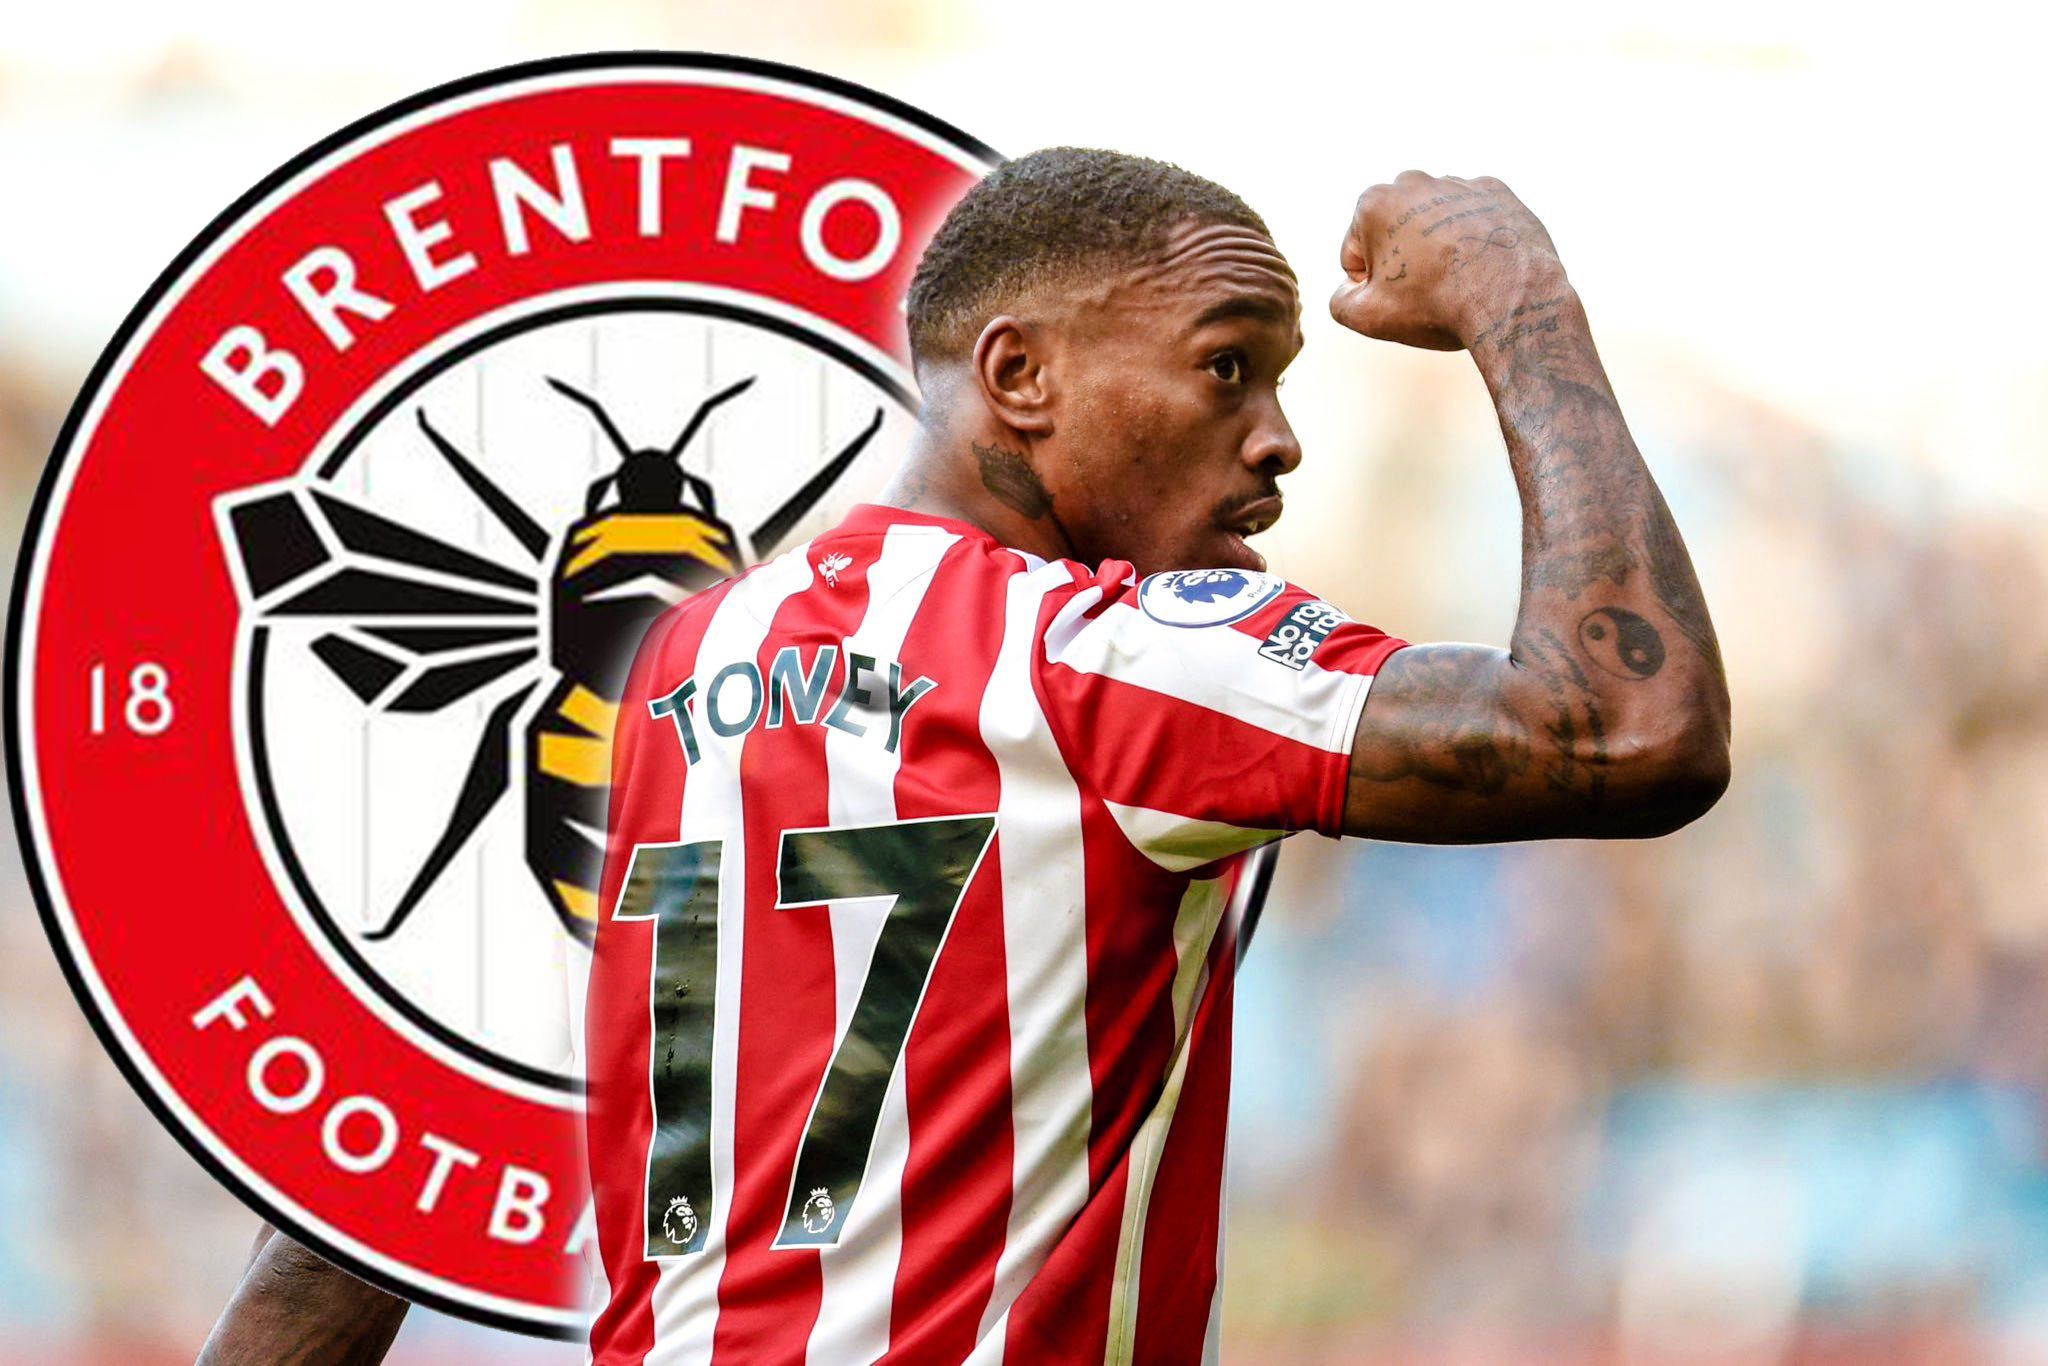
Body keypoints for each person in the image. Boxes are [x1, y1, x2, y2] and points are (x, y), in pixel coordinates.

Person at [200, 147, 1729, 1364]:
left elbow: (383, 1193)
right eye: (1226, 368)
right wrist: (1522, 303)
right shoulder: (1103, 656)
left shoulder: (676, 665)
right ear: (1020, 378)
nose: (1277, 437)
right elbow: (1628, 728)